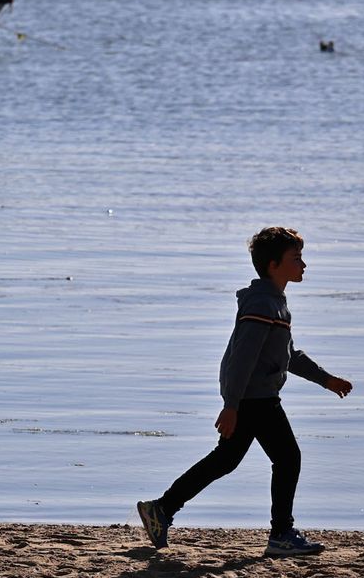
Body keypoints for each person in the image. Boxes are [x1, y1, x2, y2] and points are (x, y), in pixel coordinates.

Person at [137, 227, 352, 556]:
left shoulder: (274, 303)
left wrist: (326, 380)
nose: (304, 265)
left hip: (253, 396)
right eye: (297, 259)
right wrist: (231, 405)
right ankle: (281, 534)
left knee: (225, 460)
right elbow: (243, 357)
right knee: (287, 457)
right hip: (255, 398)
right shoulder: (263, 304)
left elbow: (288, 355)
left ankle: (161, 509)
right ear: (273, 265)